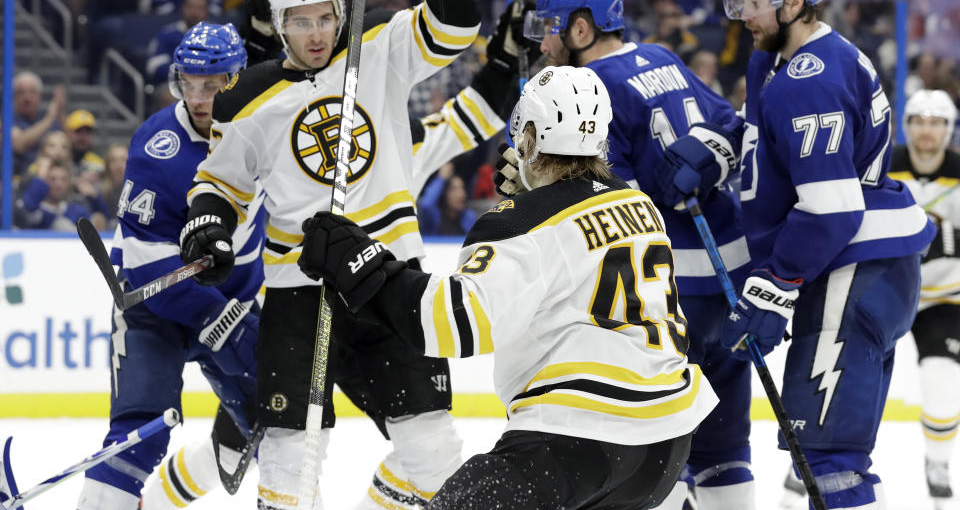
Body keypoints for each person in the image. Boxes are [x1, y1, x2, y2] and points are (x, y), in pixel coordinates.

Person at [178, 0, 481, 510]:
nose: (316, 34)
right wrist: (208, 226)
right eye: (301, 21)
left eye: (324, 18)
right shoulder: (245, 99)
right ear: (279, 24)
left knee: (433, 450)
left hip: (389, 274)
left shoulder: (380, 49)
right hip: (299, 287)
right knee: (292, 451)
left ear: (339, 13)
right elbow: (221, 184)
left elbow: (454, 28)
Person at [297, 65, 718, 510]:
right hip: (666, 447)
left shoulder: (516, 223)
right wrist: (533, 189)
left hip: (580, 437)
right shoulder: (639, 204)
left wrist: (360, 262)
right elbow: (574, 217)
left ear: (530, 137)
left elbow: (453, 322)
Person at [656, 0, 935, 510]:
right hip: (858, 270)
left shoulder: (812, 82)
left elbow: (832, 207)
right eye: (737, 0)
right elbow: (764, 133)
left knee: (830, 466)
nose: (742, 15)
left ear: (795, 0)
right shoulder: (777, 64)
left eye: (753, 0)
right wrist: (720, 148)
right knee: (827, 457)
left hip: (851, 273)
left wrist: (776, 285)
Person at [519, 0, 754, 509]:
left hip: (662, 291)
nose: (545, 42)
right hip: (728, 278)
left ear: (582, 30)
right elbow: (731, 127)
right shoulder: (664, 58)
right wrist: (706, 160)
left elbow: (608, 201)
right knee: (725, 447)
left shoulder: (588, 88)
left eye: (552, 28)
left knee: (654, 447)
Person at [76, 22, 264, 509]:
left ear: (237, 79)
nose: (199, 98)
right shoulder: (158, 143)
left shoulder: (269, 127)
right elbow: (142, 262)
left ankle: (168, 496)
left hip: (238, 304)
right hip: (154, 313)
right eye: (189, 84)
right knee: (139, 436)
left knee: (283, 429)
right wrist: (216, 318)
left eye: (214, 84)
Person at [784, 89, 958, 509]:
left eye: (936, 122)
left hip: (943, 299)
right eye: (919, 120)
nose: (926, 130)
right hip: (887, 289)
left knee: (941, 384)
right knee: (844, 381)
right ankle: (809, 459)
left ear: (949, 128)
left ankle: (937, 462)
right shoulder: (885, 165)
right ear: (907, 124)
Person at [146, 0, 210, 84]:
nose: (195, 12)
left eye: (200, 8)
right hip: (174, 84)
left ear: (206, 11)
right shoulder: (168, 34)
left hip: (209, 85)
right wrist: (185, 73)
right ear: (183, 8)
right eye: (191, 7)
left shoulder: (217, 36)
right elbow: (154, 66)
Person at [11, 71, 65, 178]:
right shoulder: (8, 119)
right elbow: (19, 144)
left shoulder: (47, 118)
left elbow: (68, 140)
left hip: (51, 180)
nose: (27, 98)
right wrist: (49, 118)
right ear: (13, 97)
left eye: (32, 92)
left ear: (39, 96)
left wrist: (61, 111)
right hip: (19, 180)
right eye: (21, 93)